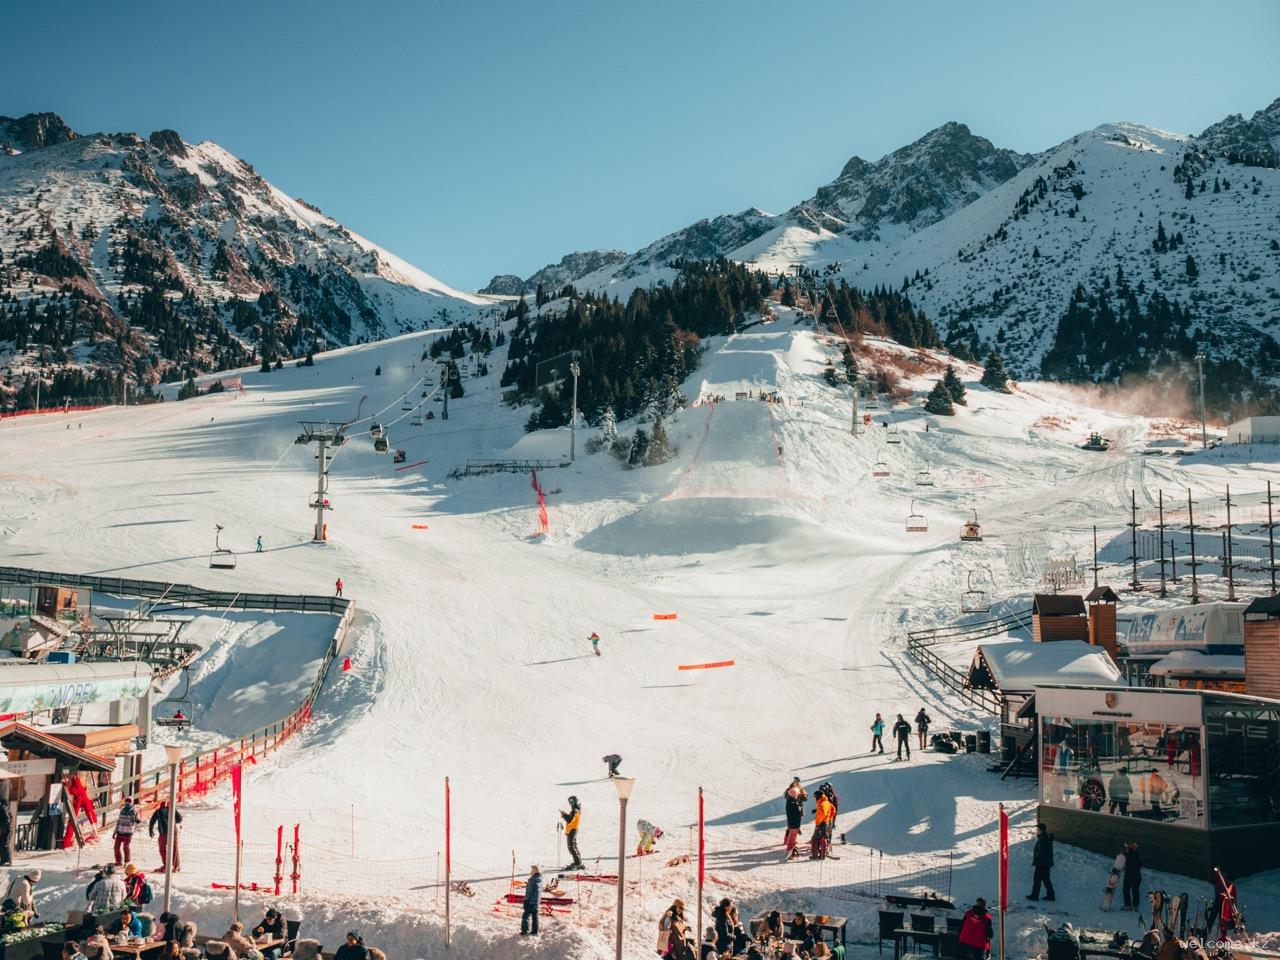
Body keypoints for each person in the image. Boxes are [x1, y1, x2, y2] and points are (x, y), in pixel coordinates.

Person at [149, 801, 182, 872]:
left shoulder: (158, 811)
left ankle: (166, 865)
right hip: (173, 832)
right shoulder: (172, 810)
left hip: (164, 833)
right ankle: (176, 866)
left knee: (162, 849)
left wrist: (151, 831)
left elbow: (152, 821)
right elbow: (179, 819)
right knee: (174, 848)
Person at [1027, 822, 1056, 901]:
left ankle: (1035, 895)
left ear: (1040, 830)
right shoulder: (1044, 837)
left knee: (1037, 879)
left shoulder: (1043, 839)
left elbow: (1041, 852)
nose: (1036, 830)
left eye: (1037, 829)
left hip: (1042, 863)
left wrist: (1036, 859)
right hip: (1045, 863)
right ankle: (1050, 895)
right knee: (1045, 879)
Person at [783, 778, 807, 859]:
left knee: (791, 828)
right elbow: (787, 795)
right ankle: (789, 844)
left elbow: (805, 797)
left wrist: (801, 796)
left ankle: (789, 841)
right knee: (793, 828)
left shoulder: (797, 789)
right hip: (794, 811)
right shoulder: (793, 790)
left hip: (796, 809)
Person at [114, 797, 140, 866]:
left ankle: (127, 861)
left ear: (131, 802)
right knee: (116, 847)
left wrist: (137, 820)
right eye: (126, 801)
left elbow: (137, 819)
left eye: (129, 801)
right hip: (120, 831)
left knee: (125, 847)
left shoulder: (134, 810)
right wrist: (115, 831)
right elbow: (118, 821)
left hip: (128, 832)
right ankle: (118, 861)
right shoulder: (122, 810)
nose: (127, 803)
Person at [810, 790, 834, 860]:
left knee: (814, 839)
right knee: (823, 838)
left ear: (818, 796)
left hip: (821, 823)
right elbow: (833, 810)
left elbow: (822, 812)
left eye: (815, 797)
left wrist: (818, 822)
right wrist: (828, 817)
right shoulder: (826, 802)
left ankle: (815, 855)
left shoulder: (822, 803)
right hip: (825, 822)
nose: (814, 799)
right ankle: (822, 855)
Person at [561, 796, 583, 870]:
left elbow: (570, 820)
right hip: (573, 828)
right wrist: (565, 815)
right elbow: (571, 819)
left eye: (570, 801)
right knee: (573, 846)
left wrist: (564, 815)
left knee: (571, 846)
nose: (569, 803)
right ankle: (579, 863)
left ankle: (578, 864)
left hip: (572, 829)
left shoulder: (575, 810)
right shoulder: (576, 809)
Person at [520, 864, 542, 936]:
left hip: (531, 901)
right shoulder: (539, 878)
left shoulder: (532, 880)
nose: (531, 871)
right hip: (536, 901)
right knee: (534, 915)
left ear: (535, 870)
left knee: (525, 915)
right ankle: (535, 931)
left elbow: (529, 892)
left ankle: (524, 931)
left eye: (532, 869)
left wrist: (526, 901)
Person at [1121, 840, 1142, 911]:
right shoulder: (1137, 854)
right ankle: (1135, 906)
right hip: (1137, 876)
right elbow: (1139, 864)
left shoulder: (1127, 854)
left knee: (1126, 890)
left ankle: (1128, 905)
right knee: (1135, 890)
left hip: (1129, 875)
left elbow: (1124, 863)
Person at [0, 789, 11, 866]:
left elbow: (7, 820)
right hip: (3, 828)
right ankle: (3, 860)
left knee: (4, 844)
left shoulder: (3, 808)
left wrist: (2, 826)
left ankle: (7, 861)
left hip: (6, 829)